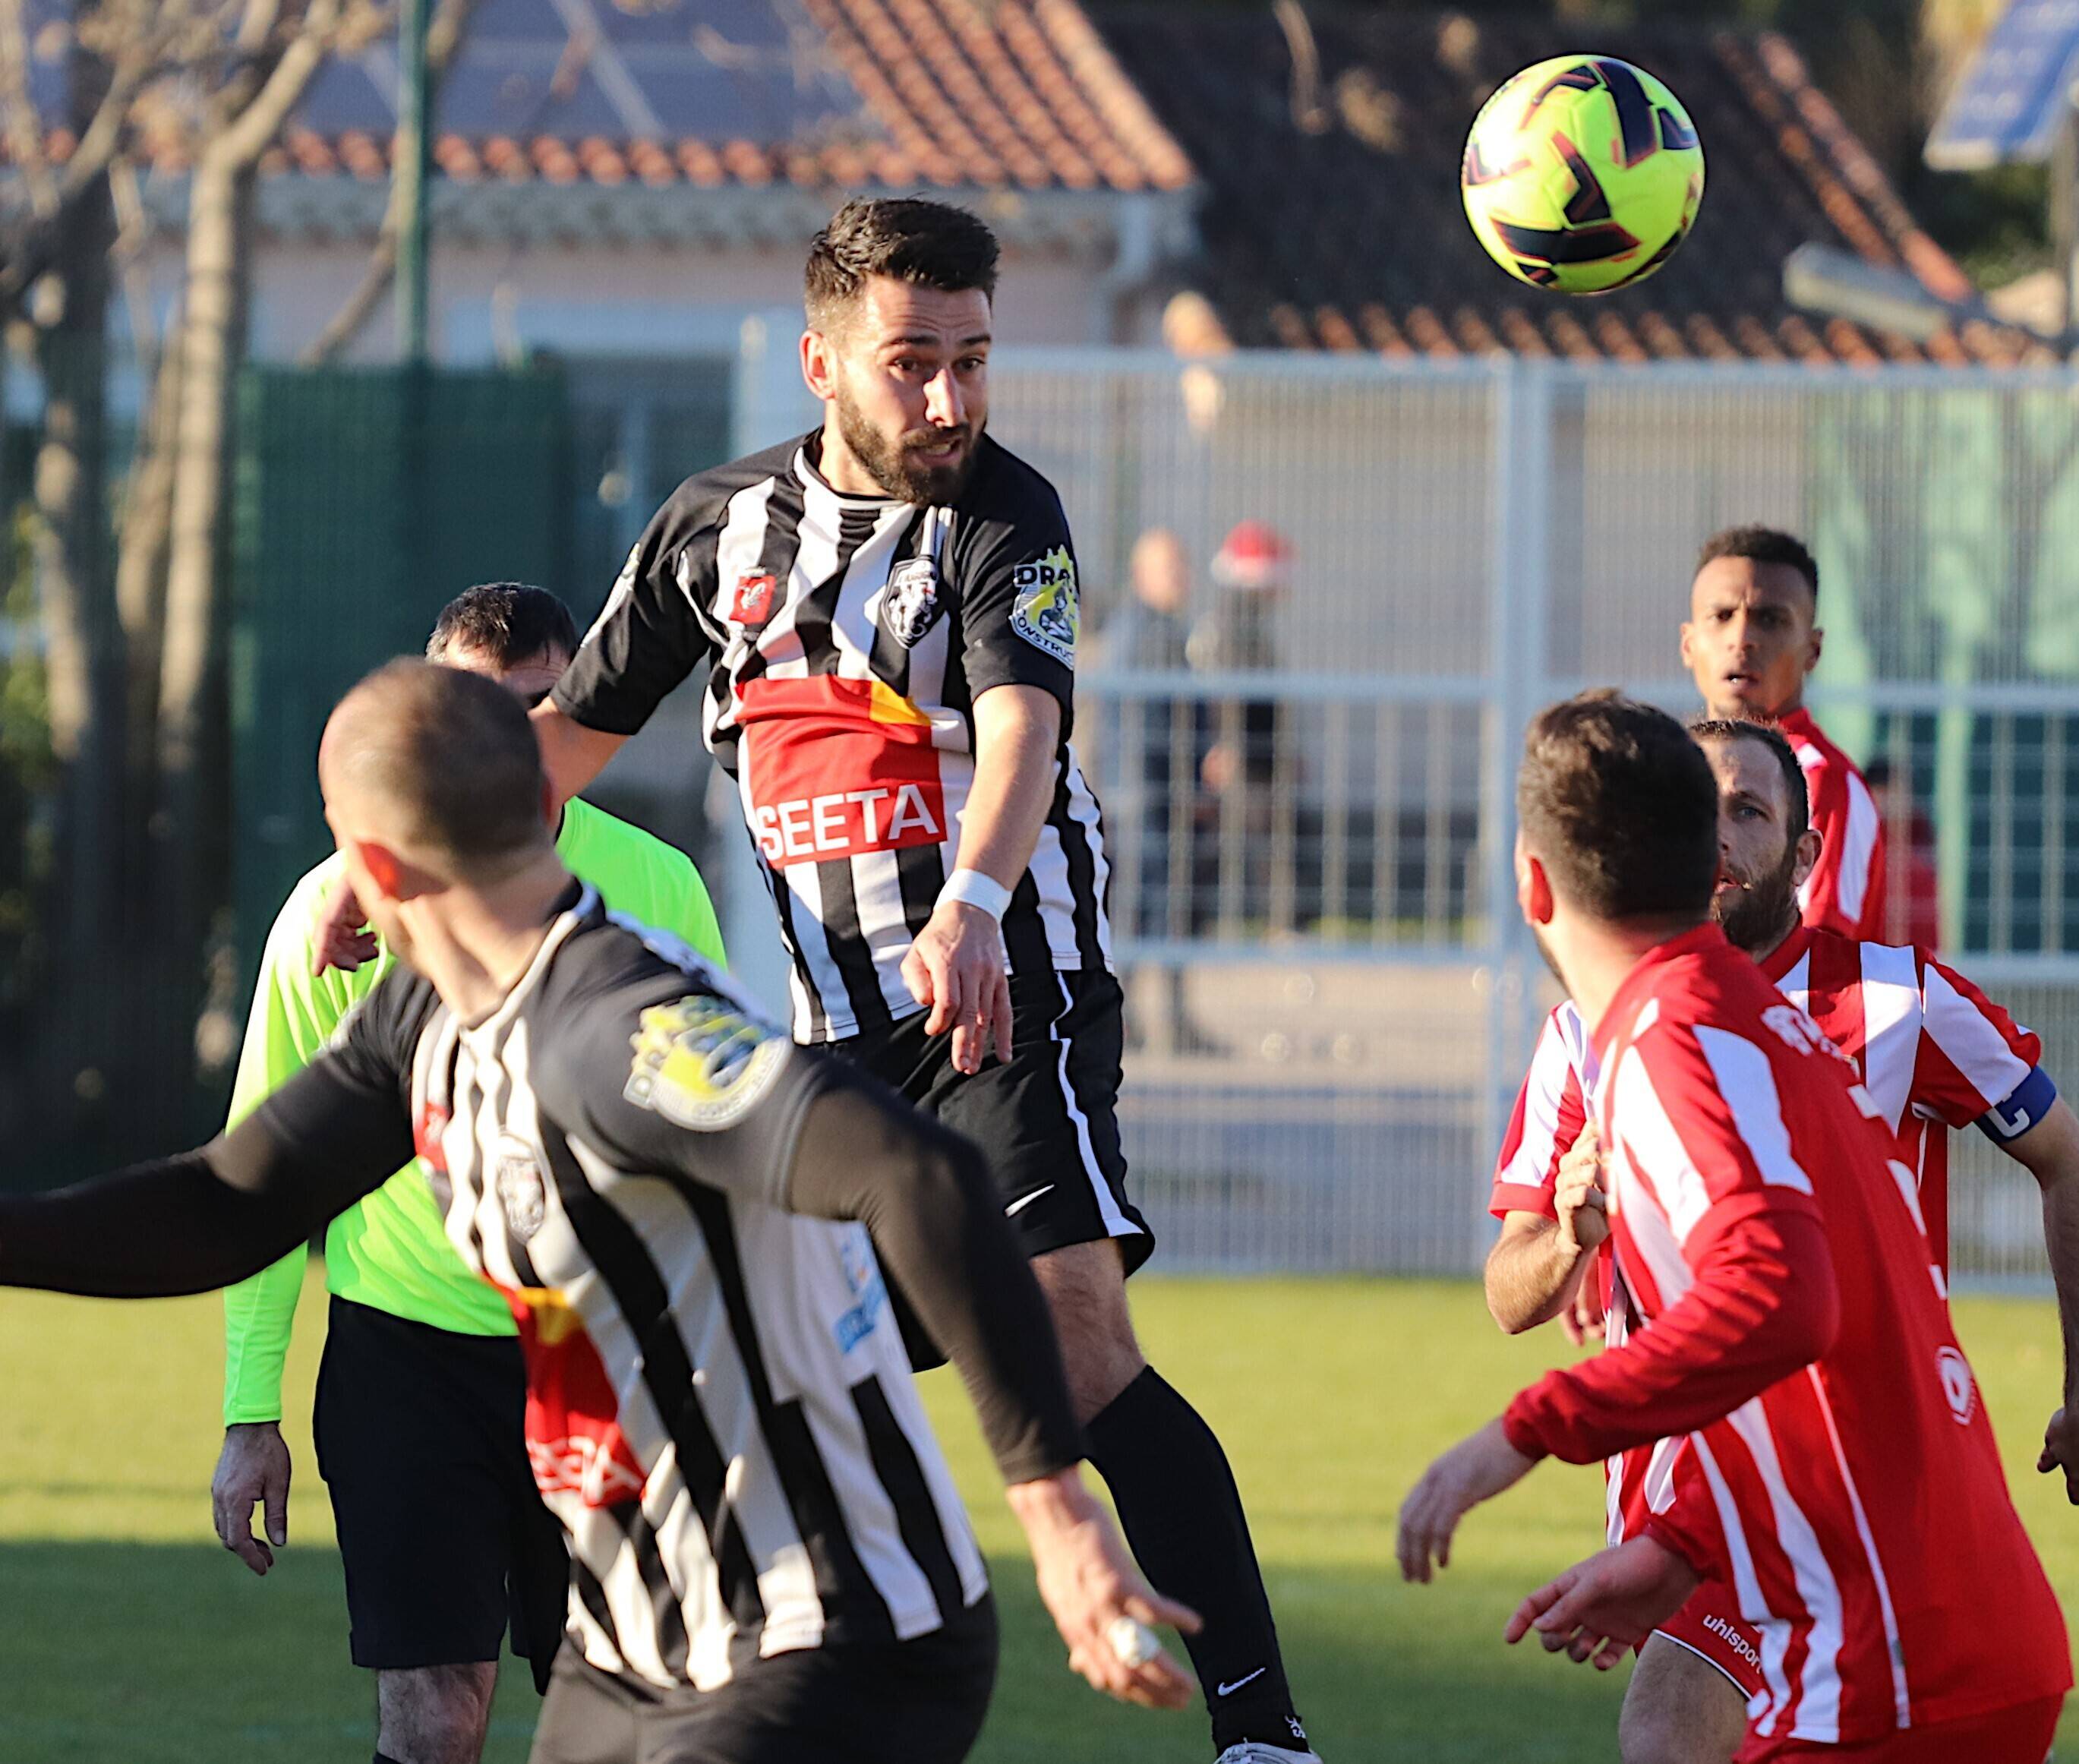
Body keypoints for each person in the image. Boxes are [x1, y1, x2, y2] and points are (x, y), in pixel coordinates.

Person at [1, 661, 1197, 1764]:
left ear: (374, 860)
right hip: (631, 1651)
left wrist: (1058, 1514)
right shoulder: (426, 1016)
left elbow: (920, 1175)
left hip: (829, 1631)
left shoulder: (617, 1026)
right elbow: (227, 1204)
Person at [516, 197, 1316, 1764]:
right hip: (831, 1038)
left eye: (971, 360)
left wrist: (969, 896)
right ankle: (744, 1693)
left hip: (1009, 985)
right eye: (912, 364)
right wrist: (386, 860)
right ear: (822, 362)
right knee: (781, 1369)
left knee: (1077, 1338)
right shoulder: (711, 532)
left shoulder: (1007, 515)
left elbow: (1021, 726)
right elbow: (561, 744)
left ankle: (1261, 1734)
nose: (949, 400)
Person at [1399, 692, 2069, 1762]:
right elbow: (1825, 1338)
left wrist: (1520, 1434)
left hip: (1884, 1655)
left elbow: (1784, 1298)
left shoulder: (1685, 1037)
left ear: (1532, 880)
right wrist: (1677, 1544)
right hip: (1921, 1615)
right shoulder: (1747, 1025)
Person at [213, 585, 729, 1764]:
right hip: (405, 1360)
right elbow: (258, 1173)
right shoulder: (332, 919)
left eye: (537, 710)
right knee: (435, 1714)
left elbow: (717, 1154)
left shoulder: (657, 892)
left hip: (603, 1358)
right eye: (475, 714)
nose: (505, 744)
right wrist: (251, 1410)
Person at [1680, 525, 1887, 941]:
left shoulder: (1821, 781)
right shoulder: (1667, 772)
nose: (1742, 639)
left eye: (1771, 620)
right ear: (1689, 643)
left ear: (1813, 649)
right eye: (1722, 617)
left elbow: (1815, 965)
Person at [1188, 519, 1292, 936]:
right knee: (1238, 842)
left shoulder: (1246, 622)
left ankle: (1207, 924)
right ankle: (1201, 925)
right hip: (1243, 755)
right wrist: (1227, 745)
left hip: (1257, 752)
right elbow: (1230, 691)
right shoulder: (1234, 626)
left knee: (1250, 840)